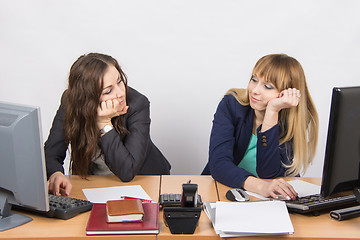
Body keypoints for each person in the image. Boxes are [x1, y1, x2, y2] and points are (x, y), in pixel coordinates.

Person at [45, 53, 171, 196]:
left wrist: (104, 124)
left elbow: (127, 171)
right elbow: (51, 152)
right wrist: (55, 173)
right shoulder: (70, 102)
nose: (120, 93)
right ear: (87, 98)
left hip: (145, 181)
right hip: (96, 184)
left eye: (119, 81)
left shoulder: (137, 104)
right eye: (108, 91)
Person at [202, 54, 318, 200]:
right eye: (254, 80)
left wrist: (272, 113)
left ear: (285, 94)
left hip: (271, 201)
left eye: (268, 87)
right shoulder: (231, 105)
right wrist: (261, 186)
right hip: (224, 190)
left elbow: (269, 173)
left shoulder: (292, 121)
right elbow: (218, 164)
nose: (255, 90)